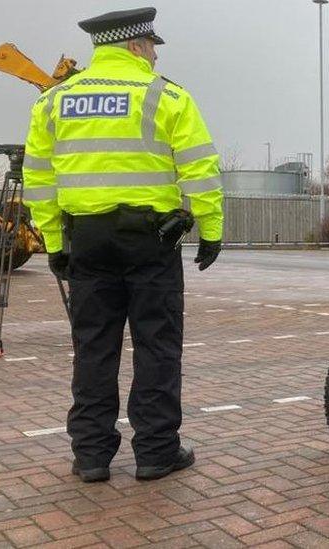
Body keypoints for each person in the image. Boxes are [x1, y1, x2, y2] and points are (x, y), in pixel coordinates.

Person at [22, 7, 224, 483]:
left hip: (86, 242)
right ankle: (156, 452)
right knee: (156, 346)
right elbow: (199, 169)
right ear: (135, 45)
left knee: (93, 347)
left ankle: (91, 455)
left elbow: (38, 179)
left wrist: (55, 241)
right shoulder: (166, 96)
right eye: (152, 46)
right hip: (151, 243)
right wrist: (210, 231)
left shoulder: (55, 101)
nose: (154, 55)